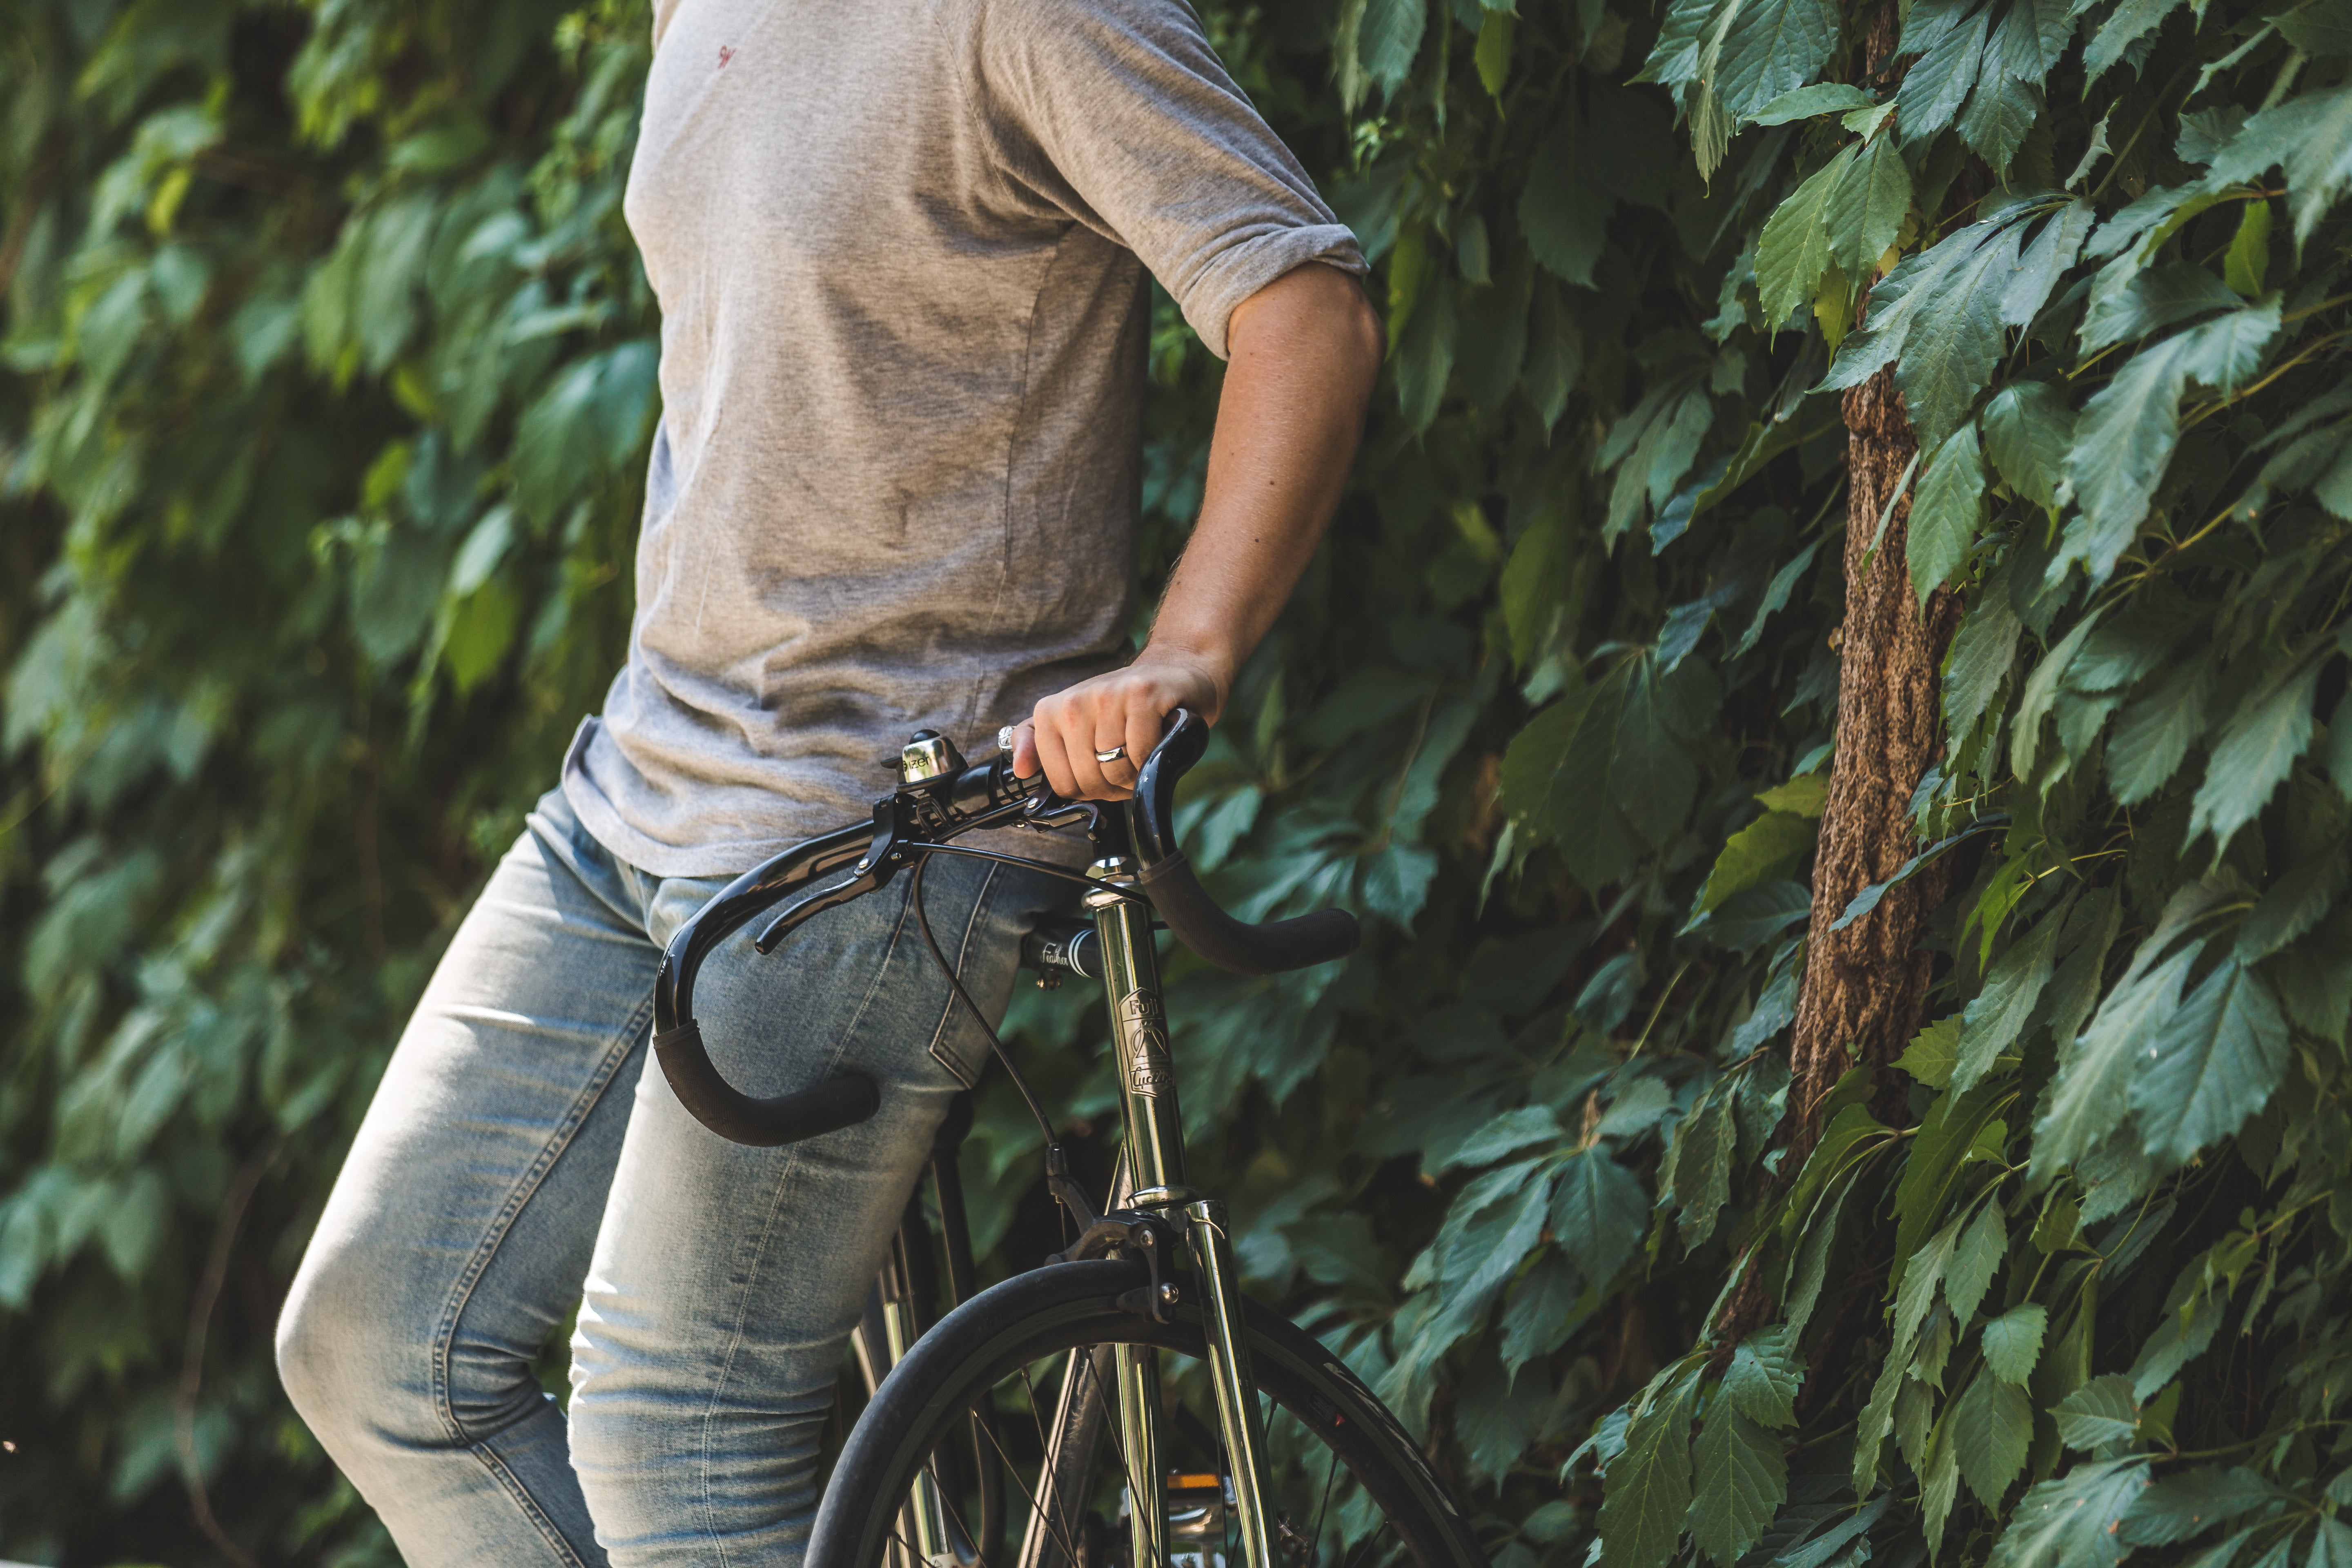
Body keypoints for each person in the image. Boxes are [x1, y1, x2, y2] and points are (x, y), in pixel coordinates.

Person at [274, 0, 1381, 1562]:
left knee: (675, 1431)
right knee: (376, 1349)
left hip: (887, 828)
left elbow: (1303, 303)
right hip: (638, 787)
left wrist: (1185, 653)